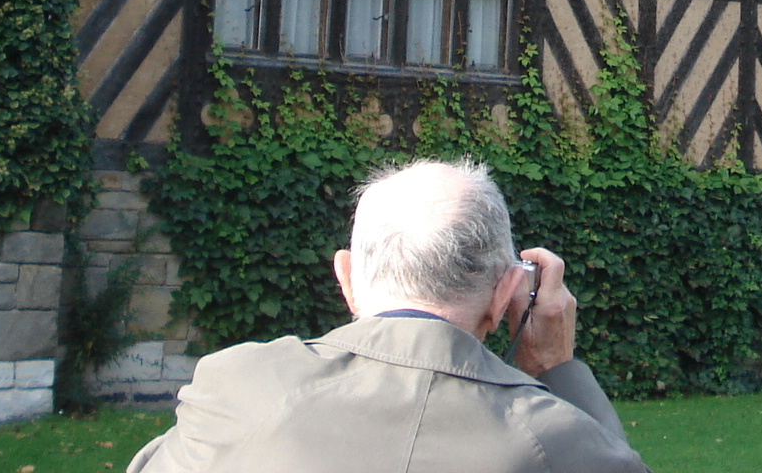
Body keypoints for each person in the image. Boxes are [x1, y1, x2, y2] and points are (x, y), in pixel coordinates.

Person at [127, 158, 648, 473]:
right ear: (506, 293)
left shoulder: (235, 389)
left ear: (347, 278)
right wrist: (558, 366)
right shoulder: (555, 436)